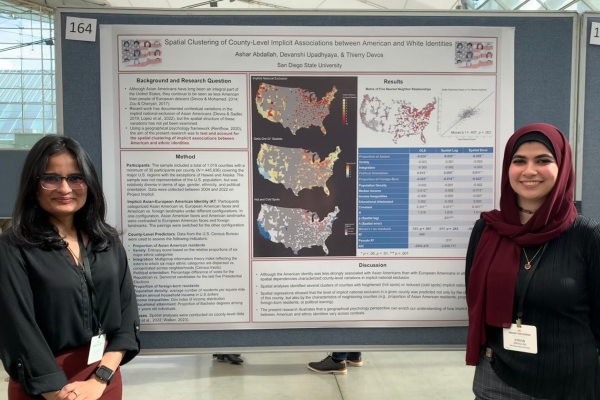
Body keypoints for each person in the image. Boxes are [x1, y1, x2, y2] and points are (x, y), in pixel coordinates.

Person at [465, 123, 600, 399]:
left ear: (562, 167)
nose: (529, 171)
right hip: (497, 378)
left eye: (543, 160)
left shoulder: (588, 236)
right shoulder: (487, 230)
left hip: (569, 383)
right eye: (519, 161)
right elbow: (473, 296)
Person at [0, 135, 140, 400]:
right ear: (34, 185)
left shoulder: (107, 241)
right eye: (51, 178)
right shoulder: (12, 247)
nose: (65, 189)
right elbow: (18, 331)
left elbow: (127, 316)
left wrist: (101, 378)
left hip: (103, 378)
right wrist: (59, 394)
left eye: (76, 178)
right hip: (43, 385)